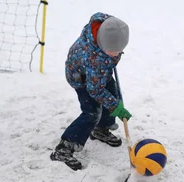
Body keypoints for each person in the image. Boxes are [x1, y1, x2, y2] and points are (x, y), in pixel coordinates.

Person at [50, 12, 132, 170]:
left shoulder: (107, 28)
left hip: (101, 73)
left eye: (119, 51)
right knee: (92, 112)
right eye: (112, 51)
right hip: (82, 78)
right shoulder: (94, 57)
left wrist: (114, 103)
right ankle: (65, 147)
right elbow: (95, 90)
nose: (116, 54)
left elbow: (110, 25)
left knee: (112, 96)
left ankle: (101, 129)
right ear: (102, 45)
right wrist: (116, 107)